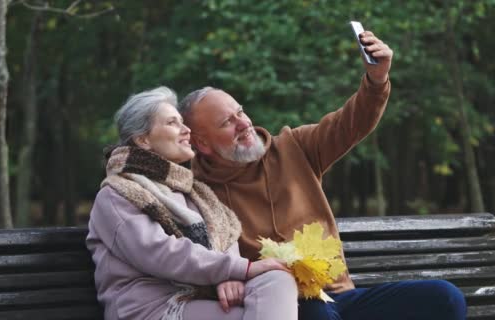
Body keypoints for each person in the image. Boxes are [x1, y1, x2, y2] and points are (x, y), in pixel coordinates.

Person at [178, 30, 467, 320]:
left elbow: (349, 124)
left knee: (445, 298)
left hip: (342, 297)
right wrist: (223, 278)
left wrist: (376, 79)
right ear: (201, 142)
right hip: (285, 305)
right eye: (228, 121)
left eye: (240, 111)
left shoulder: (294, 147)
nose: (244, 123)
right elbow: (192, 262)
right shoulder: (196, 194)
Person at [86, 86, 298, 320]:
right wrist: (238, 269)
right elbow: (161, 253)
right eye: (172, 123)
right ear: (143, 139)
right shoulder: (116, 195)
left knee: (276, 278)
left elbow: (225, 232)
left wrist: (230, 276)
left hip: (200, 298)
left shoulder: (194, 192)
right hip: (153, 309)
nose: (187, 130)